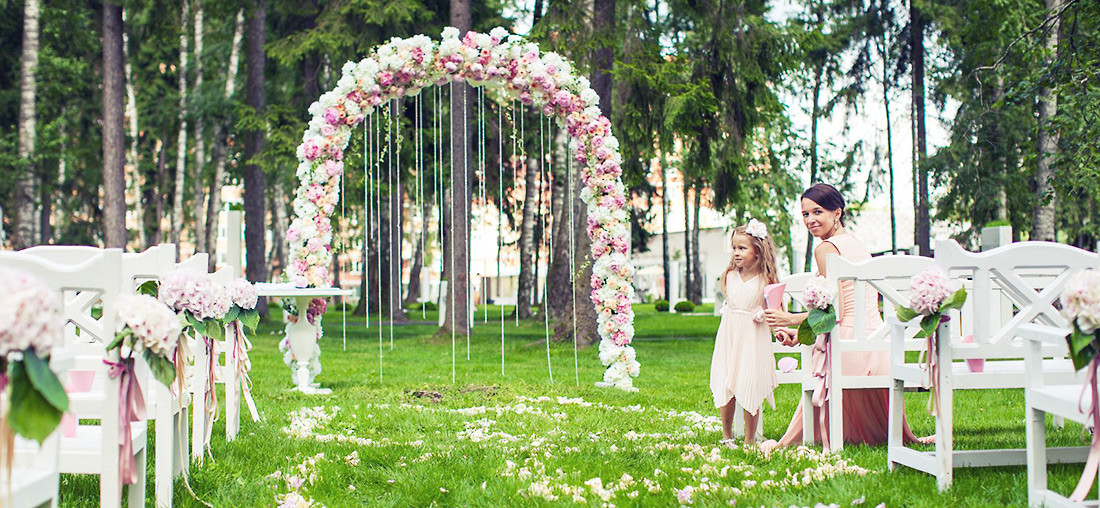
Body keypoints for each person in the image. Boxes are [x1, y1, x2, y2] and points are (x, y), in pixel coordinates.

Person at [761, 183, 927, 451]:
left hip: (846, 348)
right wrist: (800, 333)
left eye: (818, 212)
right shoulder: (856, 244)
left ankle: (804, 438)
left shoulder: (826, 249)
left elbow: (833, 310)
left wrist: (787, 318)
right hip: (877, 345)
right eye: (805, 214)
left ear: (837, 213)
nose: (810, 220)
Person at [711, 218, 780, 446]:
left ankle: (750, 439)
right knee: (726, 381)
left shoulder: (766, 279)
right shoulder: (730, 275)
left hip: (753, 336)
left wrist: (772, 323)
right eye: (734, 248)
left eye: (742, 248)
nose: (736, 253)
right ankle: (727, 435)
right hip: (730, 334)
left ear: (758, 252)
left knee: (751, 382)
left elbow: (776, 310)